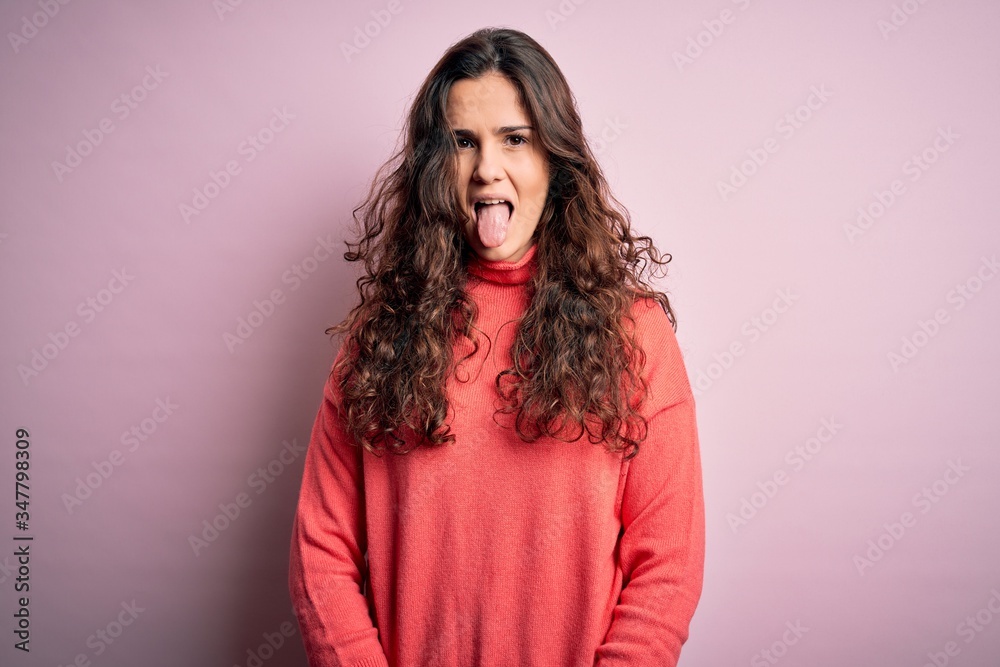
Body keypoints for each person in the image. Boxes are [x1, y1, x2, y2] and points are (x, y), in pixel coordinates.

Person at [288, 26, 705, 667]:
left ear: (554, 159)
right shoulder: (379, 338)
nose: (487, 167)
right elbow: (322, 551)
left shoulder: (637, 335)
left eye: (515, 139)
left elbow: (667, 563)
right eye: (462, 142)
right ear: (434, 165)